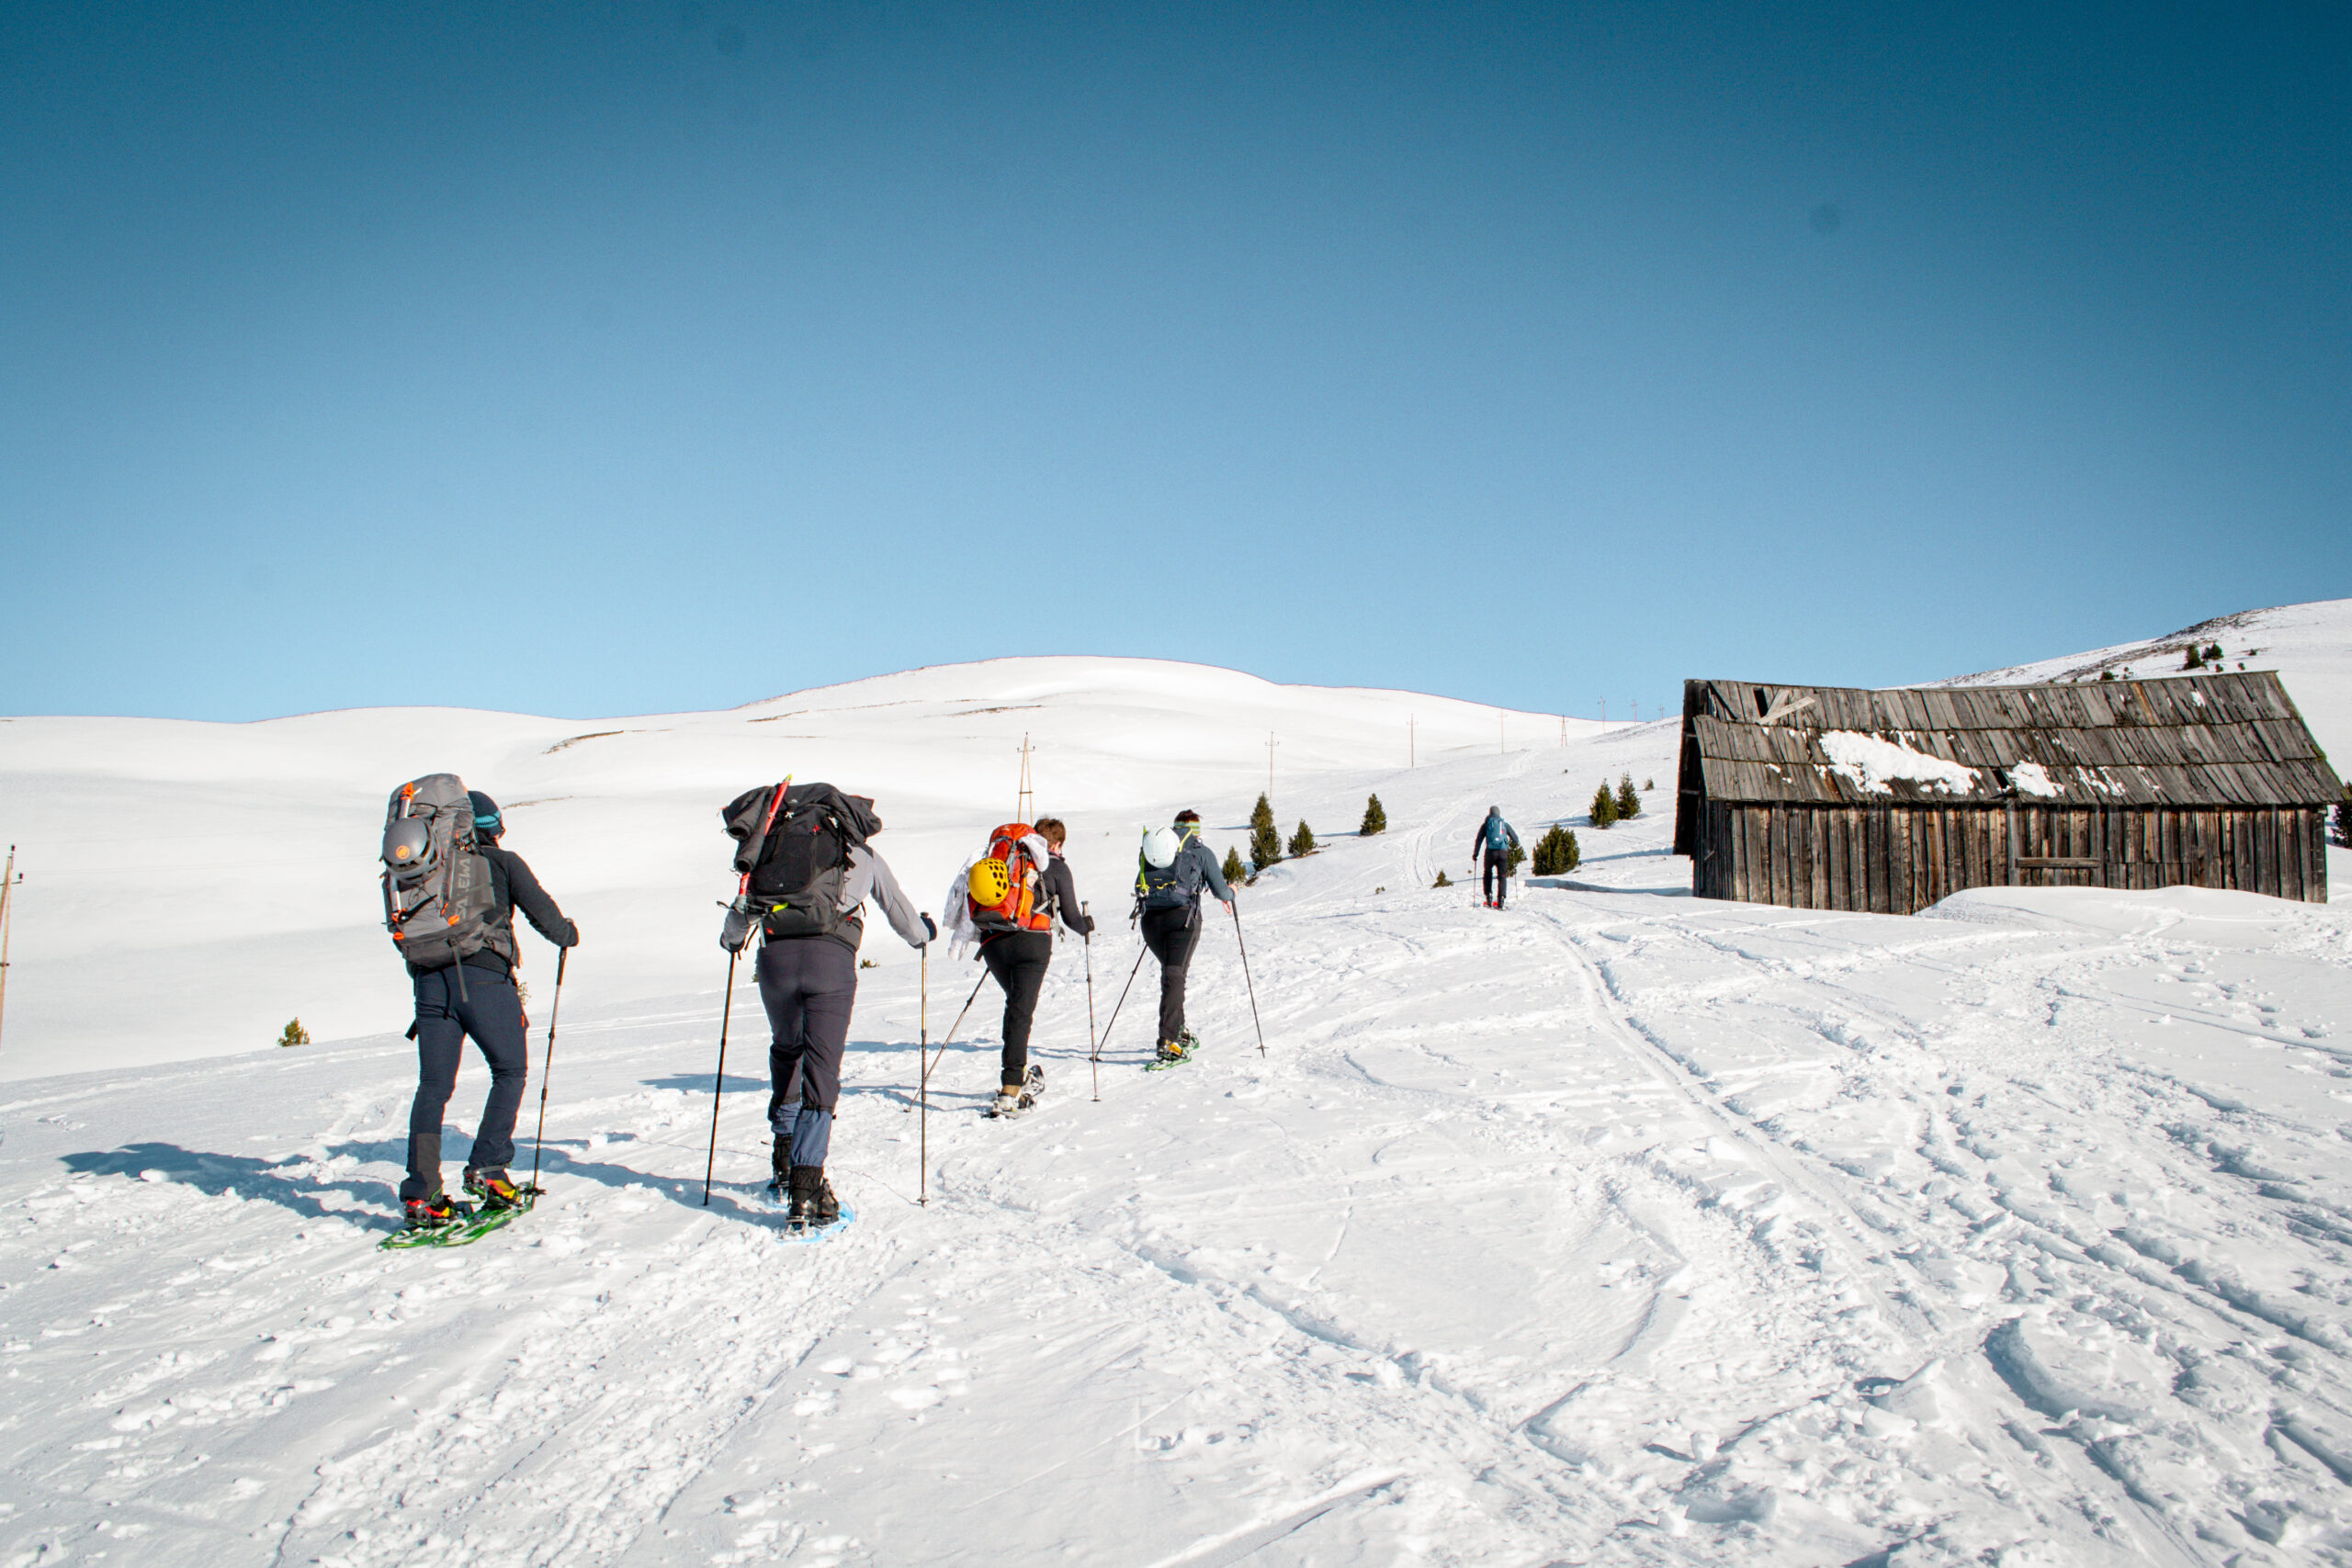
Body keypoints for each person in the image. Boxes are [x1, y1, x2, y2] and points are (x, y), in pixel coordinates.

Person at [723, 782, 933, 1229]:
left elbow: (738, 920)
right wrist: (924, 934)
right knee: (822, 1068)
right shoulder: (859, 855)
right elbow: (902, 916)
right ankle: (807, 1187)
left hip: (775, 963)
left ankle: (783, 1155)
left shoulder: (770, 845)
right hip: (831, 964)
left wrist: (732, 938)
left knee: (787, 1050)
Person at [401, 790, 578, 1227]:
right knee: (510, 1070)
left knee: (433, 1087)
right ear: (493, 826)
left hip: (429, 985)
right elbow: (548, 920)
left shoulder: (431, 871)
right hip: (482, 978)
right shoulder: (503, 862)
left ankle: (421, 1194)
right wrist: (569, 934)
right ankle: (489, 1169)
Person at [970, 818, 1093, 1115]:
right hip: (1031, 944)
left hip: (993, 941)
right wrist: (1087, 925)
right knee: (1020, 1010)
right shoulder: (1057, 867)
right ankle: (1011, 1089)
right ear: (1058, 844)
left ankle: (1016, 1076)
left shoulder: (1012, 859)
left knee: (1016, 1007)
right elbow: (1072, 918)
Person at [1136, 809, 1234, 1064]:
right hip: (1183, 920)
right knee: (1175, 975)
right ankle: (1168, 1040)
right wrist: (1232, 892)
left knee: (1172, 975)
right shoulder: (1201, 852)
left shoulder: (1154, 850)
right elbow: (1221, 891)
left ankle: (1177, 1030)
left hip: (1150, 921)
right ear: (1196, 830)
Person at [1471, 805, 1521, 909]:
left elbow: (1479, 840)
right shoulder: (1504, 824)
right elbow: (1516, 839)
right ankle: (1501, 898)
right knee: (1502, 876)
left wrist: (1476, 854)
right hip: (1503, 852)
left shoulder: (1486, 825)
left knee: (1488, 873)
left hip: (1490, 852)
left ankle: (1488, 896)